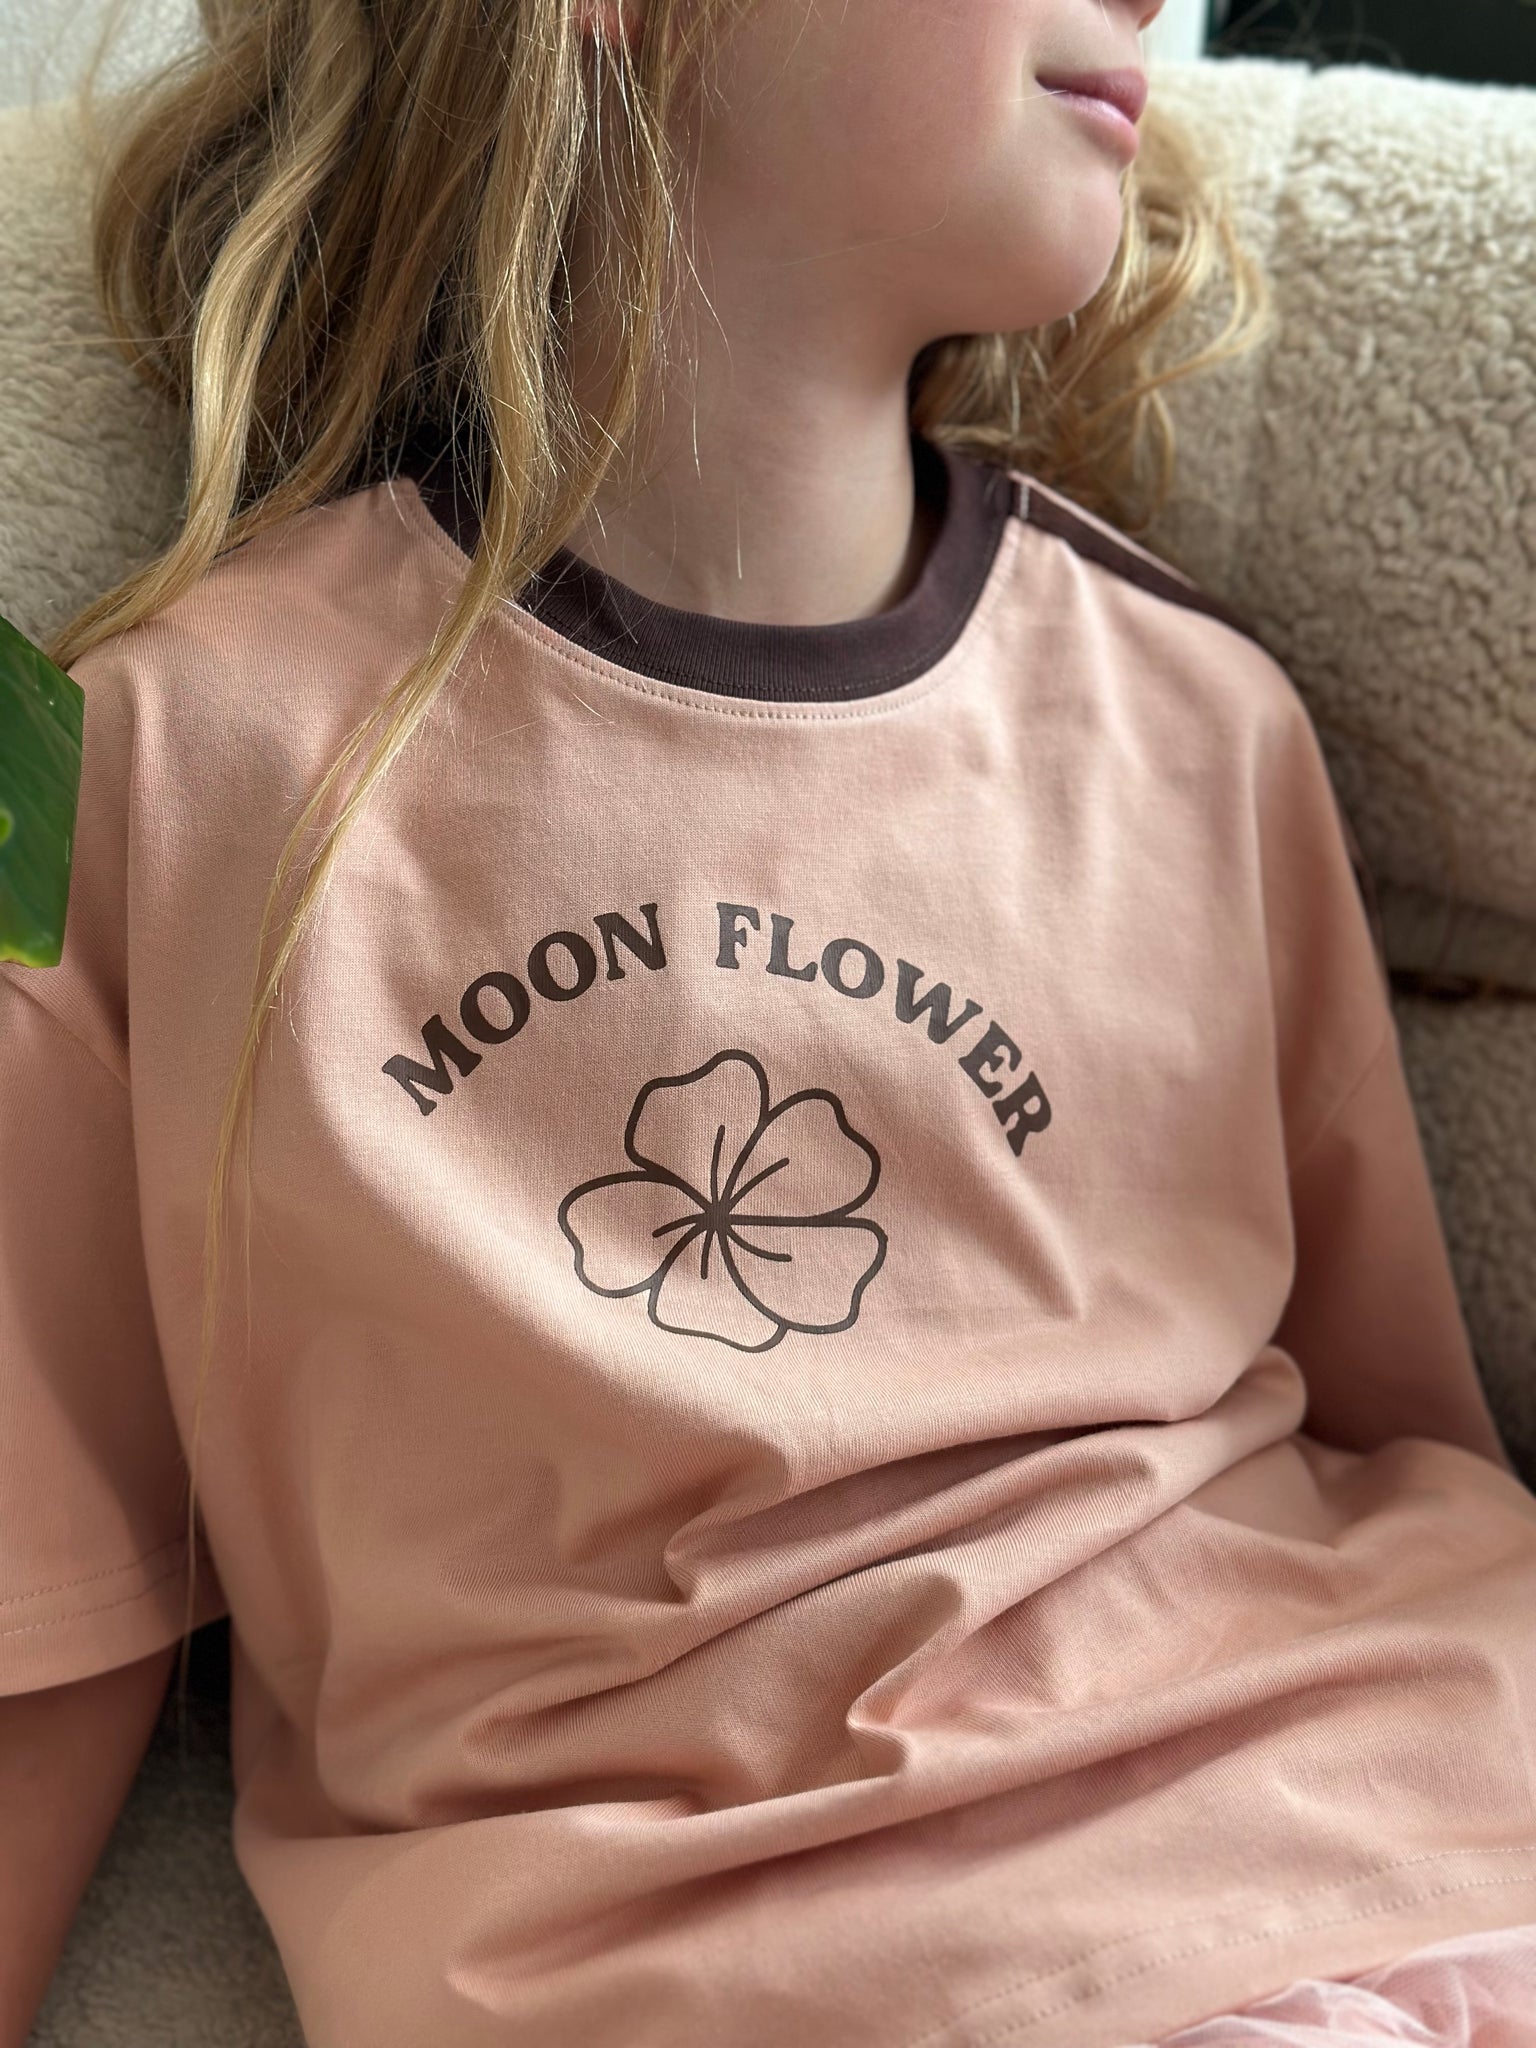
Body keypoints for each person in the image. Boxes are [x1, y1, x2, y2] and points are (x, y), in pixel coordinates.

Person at [2, 1, 1534, 2043]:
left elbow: (1405, 1447)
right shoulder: (158, 769)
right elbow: (49, 1612)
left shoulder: (1196, 722)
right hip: (762, 1969)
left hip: (1428, 1817)